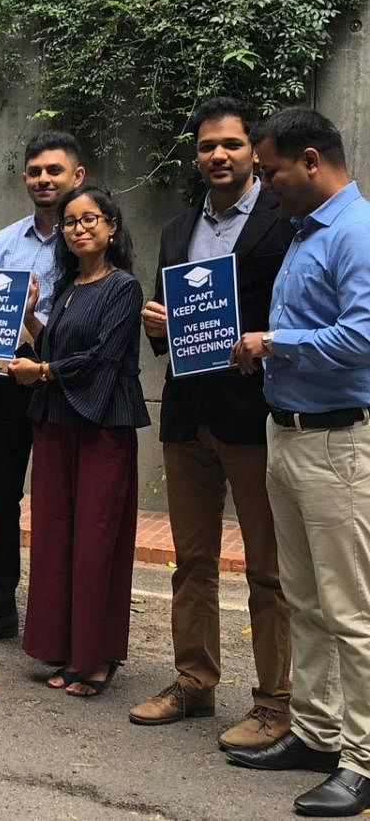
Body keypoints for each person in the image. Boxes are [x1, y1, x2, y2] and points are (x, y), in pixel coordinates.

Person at [129, 98, 293, 748]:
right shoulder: (177, 230)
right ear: (194, 155)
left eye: (230, 144)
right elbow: (173, 313)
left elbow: (301, 305)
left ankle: (276, 703)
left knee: (268, 569)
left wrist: (266, 340)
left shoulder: (287, 221)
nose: (218, 155)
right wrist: (156, 325)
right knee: (190, 560)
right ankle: (194, 683)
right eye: (206, 147)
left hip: (253, 413)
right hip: (187, 413)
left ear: (252, 150)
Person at [225, 109, 370, 817]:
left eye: (272, 169)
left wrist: (273, 344)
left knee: (352, 611)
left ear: (310, 160)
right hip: (290, 436)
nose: (266, 182)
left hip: (340, 444)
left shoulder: (357, 231)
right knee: (305, 602)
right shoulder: (307, 231)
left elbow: (364, 337)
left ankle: (364, 758)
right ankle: (316, 732)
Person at [9, 183, 148, 697]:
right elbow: (49, 346)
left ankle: (95, 657)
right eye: (70, 222)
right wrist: (24, 313)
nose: (79, 228)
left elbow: (102, 360)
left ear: (111, 226)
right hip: (55, 426)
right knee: (54, 538)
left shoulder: (123, 288)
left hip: (101, 429)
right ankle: (62, 645)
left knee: (95, 542)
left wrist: (42, 370)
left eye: (90, 219)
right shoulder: (67, 289)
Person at [0, 131, 86, 648]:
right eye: (35, 171)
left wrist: (31, 314)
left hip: (63, 382)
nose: (44, 179)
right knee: (1, 497)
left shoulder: (90, 238)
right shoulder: (5, 242)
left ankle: (60, 613)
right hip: (6, 381)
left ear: (78, 176)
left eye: (54, 170)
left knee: (60, 502)